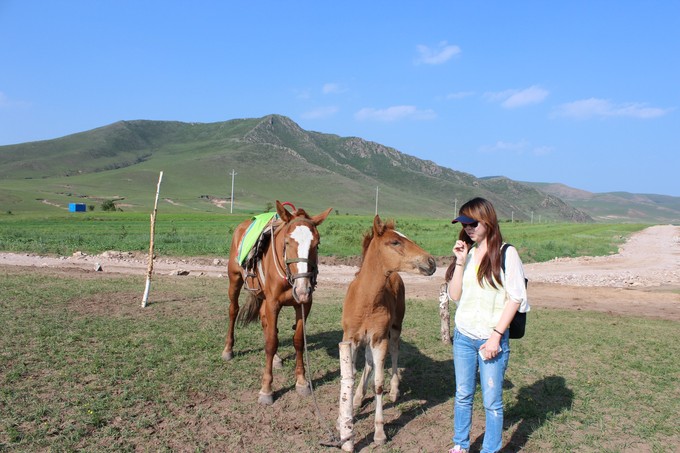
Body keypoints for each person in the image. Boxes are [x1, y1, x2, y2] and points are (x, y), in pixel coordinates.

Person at [445, 197, 529, 453]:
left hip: (491, 339)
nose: (468, 228)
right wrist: (459, 261)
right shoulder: (468, 254)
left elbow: (516, 297)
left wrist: (495, 337)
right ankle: (460, 445)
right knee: (462, 396)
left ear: (488, 221)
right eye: (464, 224)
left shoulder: (506, 253)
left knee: (492, 402)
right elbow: (455, 296)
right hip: (464, 337)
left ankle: (490, 450)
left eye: (473, 223)